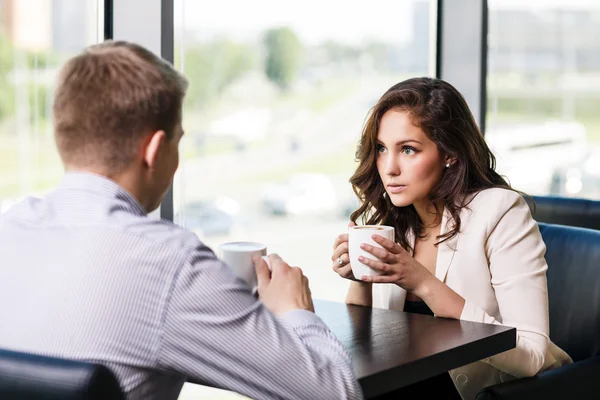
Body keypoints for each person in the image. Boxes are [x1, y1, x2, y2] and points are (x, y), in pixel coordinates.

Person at [0, 41, 363, 400]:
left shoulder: (9, 228)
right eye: (178, 143)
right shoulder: (167, 261)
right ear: (154, 150)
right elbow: (337, 394)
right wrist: (294, 310)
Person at [331, 77, 572, 400]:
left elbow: (531, 356)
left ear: (450, 154)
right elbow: (363, 349)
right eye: (381, 149)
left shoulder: (501, 212)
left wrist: (423, 283)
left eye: (408, 150)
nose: (389, 168)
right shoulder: (396, 223)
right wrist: (360, 278)